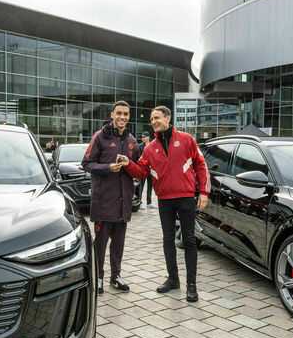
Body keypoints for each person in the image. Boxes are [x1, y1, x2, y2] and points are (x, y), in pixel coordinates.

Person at [120, 106, 210, 302]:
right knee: (168, 239)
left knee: (189, 240)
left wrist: (204, 192)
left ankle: (191, 285)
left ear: (168, 118)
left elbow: (201, 165)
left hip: (186, 197)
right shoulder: (150, 148)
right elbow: (141, 172)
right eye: (151, 119)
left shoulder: (186, 139)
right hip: (165, 200)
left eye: (157, 118)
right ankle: (173, 279)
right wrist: (128, 164)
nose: (153, 121)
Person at [82, 101, 139, 294]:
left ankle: (116, 276)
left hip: (124, 202)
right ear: (112, 115)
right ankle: (98, 277)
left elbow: (137, 167)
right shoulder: (100, 137)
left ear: (129, 117)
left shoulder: (131, 140)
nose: (122, 117)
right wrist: (107, 168)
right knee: (101, 242)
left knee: (118, 244)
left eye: (126, 114)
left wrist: (130, 165)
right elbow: (87, 164)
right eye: (119, 113)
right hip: (103, 201)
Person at [136, 131, 155, 209]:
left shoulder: (153, 145)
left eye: (144, 137)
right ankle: (139, 202)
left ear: (148, 137)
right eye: (142, 137)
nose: (142, 138)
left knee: (150, 186)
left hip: (151, 168)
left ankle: (149, 202)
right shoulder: (139, 146)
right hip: (143, 169)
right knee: (141, 185)